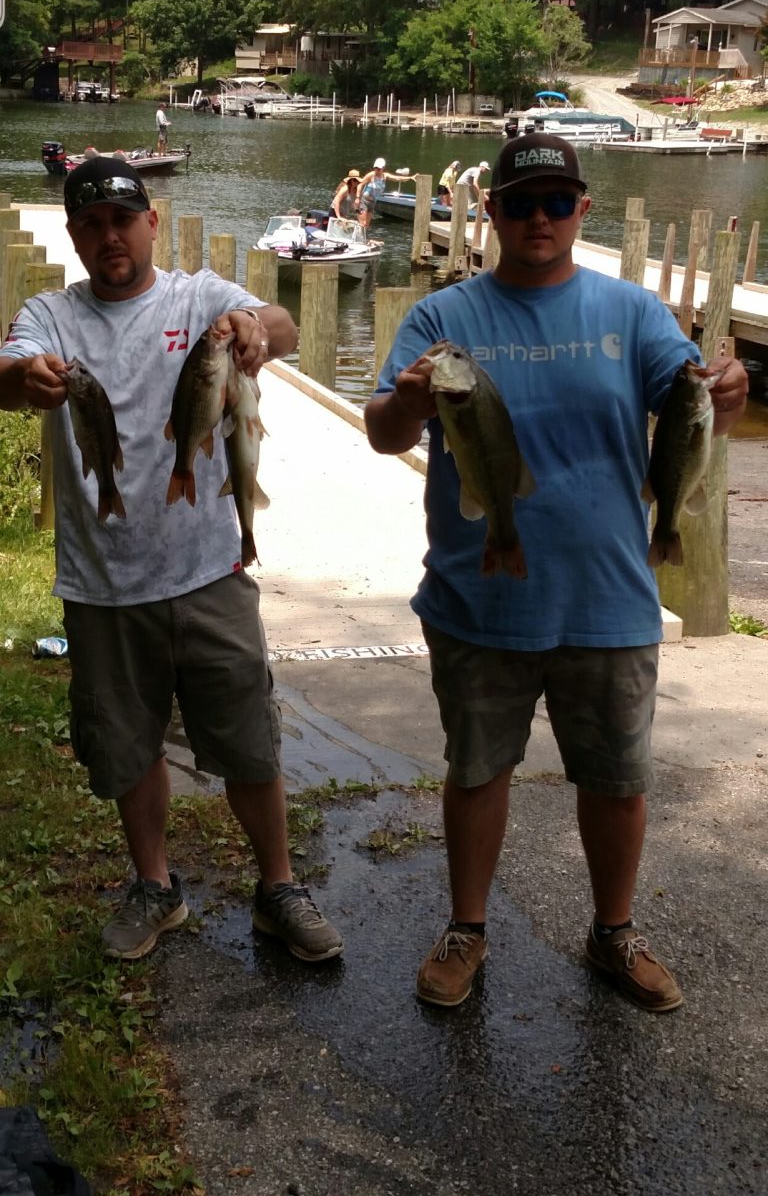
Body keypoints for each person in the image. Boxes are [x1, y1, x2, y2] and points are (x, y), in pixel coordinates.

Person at [364, 132, 747, 1013]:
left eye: (557, 202)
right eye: (521, 203)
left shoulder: (634, 313)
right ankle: (468, 927)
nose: (539, 218)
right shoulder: (441, 319)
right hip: (478, 594)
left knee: (617, 780)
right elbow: (385, 433)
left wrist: (723, 394)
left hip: (610, 595)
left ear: (582, 211)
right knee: (477, 770)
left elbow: (693, 410)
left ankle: (615, 931)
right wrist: (414, 397)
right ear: (491, 212)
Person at [0, 155, 343, 967]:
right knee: (128, 746)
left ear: (151, 222)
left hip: (209, 570)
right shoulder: (51, 313)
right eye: (91, 224)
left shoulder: (199, 298)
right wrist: (24, 378)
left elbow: (283, 325)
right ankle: (156, 886)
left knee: (249, 743)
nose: (109, 235)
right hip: (103, 584)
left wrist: (259, 330)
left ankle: (279, 887)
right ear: (76, 235)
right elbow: (6, 372)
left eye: (123, 219)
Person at [356, 158, 416, 230]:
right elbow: (360, 185)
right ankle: (356, 237)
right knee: (362, 223)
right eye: (376, 168)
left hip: (372, 202)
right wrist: (357, 197)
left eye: (379, 168)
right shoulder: (371, 175)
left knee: (366, 225)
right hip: (364, 201)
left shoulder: (385, 176)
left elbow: (397, 178)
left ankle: (362, 239)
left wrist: (410, 178)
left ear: (383, 168)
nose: (377, 170)